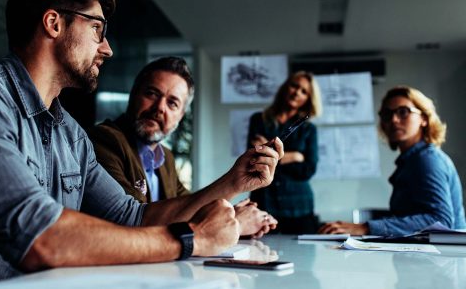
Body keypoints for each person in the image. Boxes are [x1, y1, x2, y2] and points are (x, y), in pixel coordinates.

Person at [0, 0, 283, 288]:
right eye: (97, 29)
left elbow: (133, 217)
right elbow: (39, 237)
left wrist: (234, 182)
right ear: (53, 24)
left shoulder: (70, 134)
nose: (106, 47)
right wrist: (192, 240)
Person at [88, 57, 278, 238]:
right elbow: (134, 222)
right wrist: (235, 221)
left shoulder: (165, 158)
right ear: (133, 95)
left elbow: (189, 209)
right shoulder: (104, 140)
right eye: (152, 94)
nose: (160, 107)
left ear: (180, 116)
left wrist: (232, 214)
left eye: (172, 103)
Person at [319, 86, 466, 236]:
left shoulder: (427, 160)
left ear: (424, 119)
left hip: (444, 257)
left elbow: (440, 221)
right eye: (387, 115)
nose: (394, 120)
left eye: (403, 112)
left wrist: (366, 227)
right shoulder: (411, 161)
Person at [247, 71, 322, 234]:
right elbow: (254, 160)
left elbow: (308, 170)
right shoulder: (258, 120)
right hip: (264, 202)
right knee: (260, 254)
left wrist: (272, 155)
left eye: (304, 91)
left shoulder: (309, 129)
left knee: (304, 257)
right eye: (295, 86)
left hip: (298, 208)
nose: (297, 93)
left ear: (308, 99)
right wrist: (295, 156)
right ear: (285, 87)